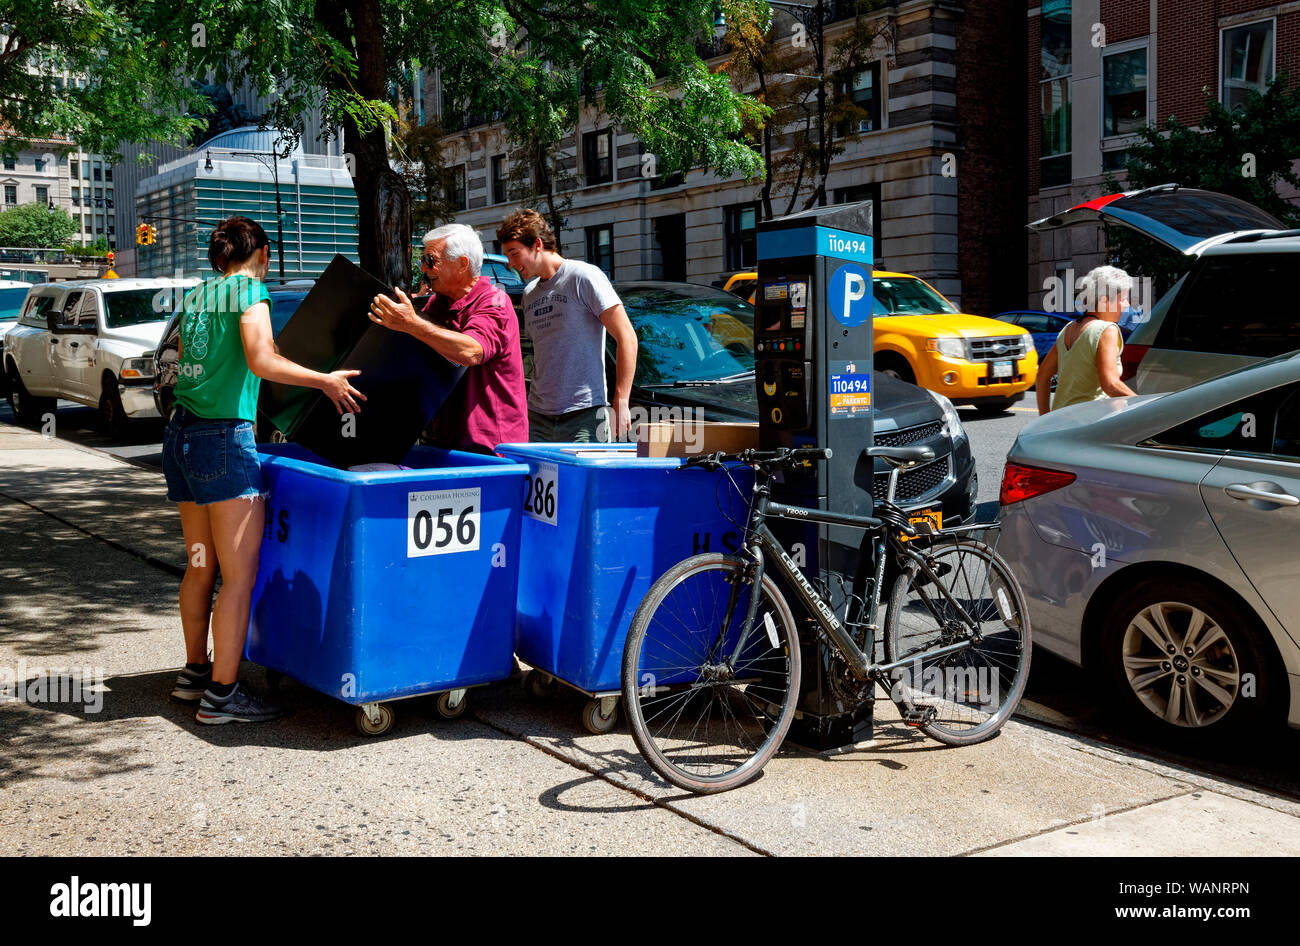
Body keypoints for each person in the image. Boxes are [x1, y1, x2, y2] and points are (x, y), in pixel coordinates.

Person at [164, 216, 365, 723]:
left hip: (181, 435)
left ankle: (194, 676)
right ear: (262, 253)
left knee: (199, 564)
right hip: (223, 442)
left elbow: (194, 363)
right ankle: (223, 698)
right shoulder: (250, 293)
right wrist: (324, 380)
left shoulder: (197, 296)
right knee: (238, 577)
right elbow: (258, 359)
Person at [368, 223, 529, 454]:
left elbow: (471, 351)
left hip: (489, 448)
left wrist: (413, 324)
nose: (424, 268)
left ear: (462, 264)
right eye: (423, 260)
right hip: (443, 442)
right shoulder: (439, 303)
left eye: (431, 260)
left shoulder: (494, 303)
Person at [496, 209, 638, 442]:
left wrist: (621, 401)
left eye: (514, 253)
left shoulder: (583, 276)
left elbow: (627, 337)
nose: (510, 264)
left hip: (583, 415)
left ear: (537, 244)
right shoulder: (529, 294)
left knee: (581, 480)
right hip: (537, 416)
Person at [1037, 265, 1137, 414]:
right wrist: (1143, 407)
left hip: (1060, 422)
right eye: (1123, 299)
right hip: (1089, 425)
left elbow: (1042, 376)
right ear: (1104, 301)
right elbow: (1110, 384)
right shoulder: (1106, 330)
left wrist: (1044, 417)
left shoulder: (1068, 329)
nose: (1127, 305)